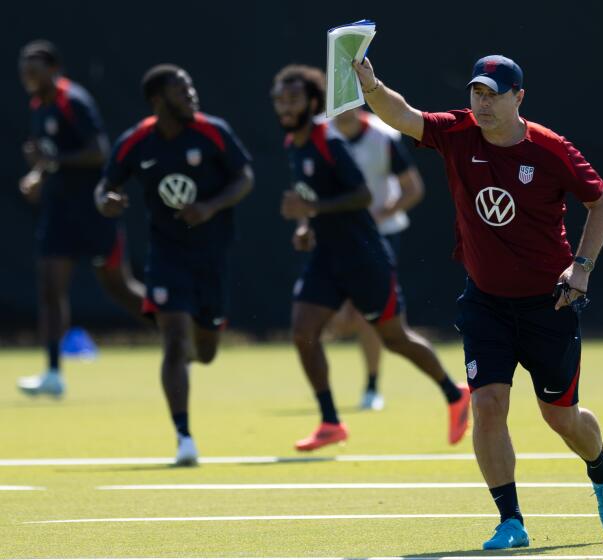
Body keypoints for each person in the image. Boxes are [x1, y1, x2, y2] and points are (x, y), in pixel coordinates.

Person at [353, 54, 603, 548]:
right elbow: (403, 115)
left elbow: (602, 200)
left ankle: (601, 470)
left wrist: (580, 269)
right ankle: (511, 521)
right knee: (489, 405)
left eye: (492, 95)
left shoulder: (549, 149)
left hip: (550, 303)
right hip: (485, 303)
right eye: (476, 93)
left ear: (518, 97)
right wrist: (371, 85)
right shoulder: (457, 134)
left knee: (561, 417)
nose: (481, 104)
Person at [271, 65, 470, 451]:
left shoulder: (328, 139)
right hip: (327, 256)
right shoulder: (293, 144)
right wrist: (305, 226)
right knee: (302, 330)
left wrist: (311, 206)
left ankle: (453, 392)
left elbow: (361, 196)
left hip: (365, 257)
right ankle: (330, 421)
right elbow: (317, 200)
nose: (284, 106)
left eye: (292, 98)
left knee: (394, 338)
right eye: (279, 99)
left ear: (313, 101)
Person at [95, 64, 254, 465]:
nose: (191, 94)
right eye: (181, 89)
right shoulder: (136, 141)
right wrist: (106, 202)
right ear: (157, 100)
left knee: (205, 351)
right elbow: (105, 187)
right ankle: (184, 437)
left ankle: (188, 352)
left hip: (211, 255)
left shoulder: (212, 131)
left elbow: (245, 176)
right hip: (167, 255)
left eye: (190, 86)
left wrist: (210, 206)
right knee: (174, 341)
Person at [16, 40, 146, 399]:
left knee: (119, 287)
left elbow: (98, 151)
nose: (27, 75)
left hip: (93, 210)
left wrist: (52, 161)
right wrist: (37, 175)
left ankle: (177, 332)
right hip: (59, 212)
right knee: (50, 287)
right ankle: (54, 373)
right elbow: (50, 156)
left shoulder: (73, 101)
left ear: (53, 69)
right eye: (23, 68)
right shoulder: (38, 106)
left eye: (34, 68)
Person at [326, 108, 425, 411]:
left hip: (379, 237)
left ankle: (371, 385)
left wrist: (381, 214)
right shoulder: (319, 135)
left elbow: (413, 189)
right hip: (335, 235)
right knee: (336, 319)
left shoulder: (384, 136)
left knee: (369, 315)